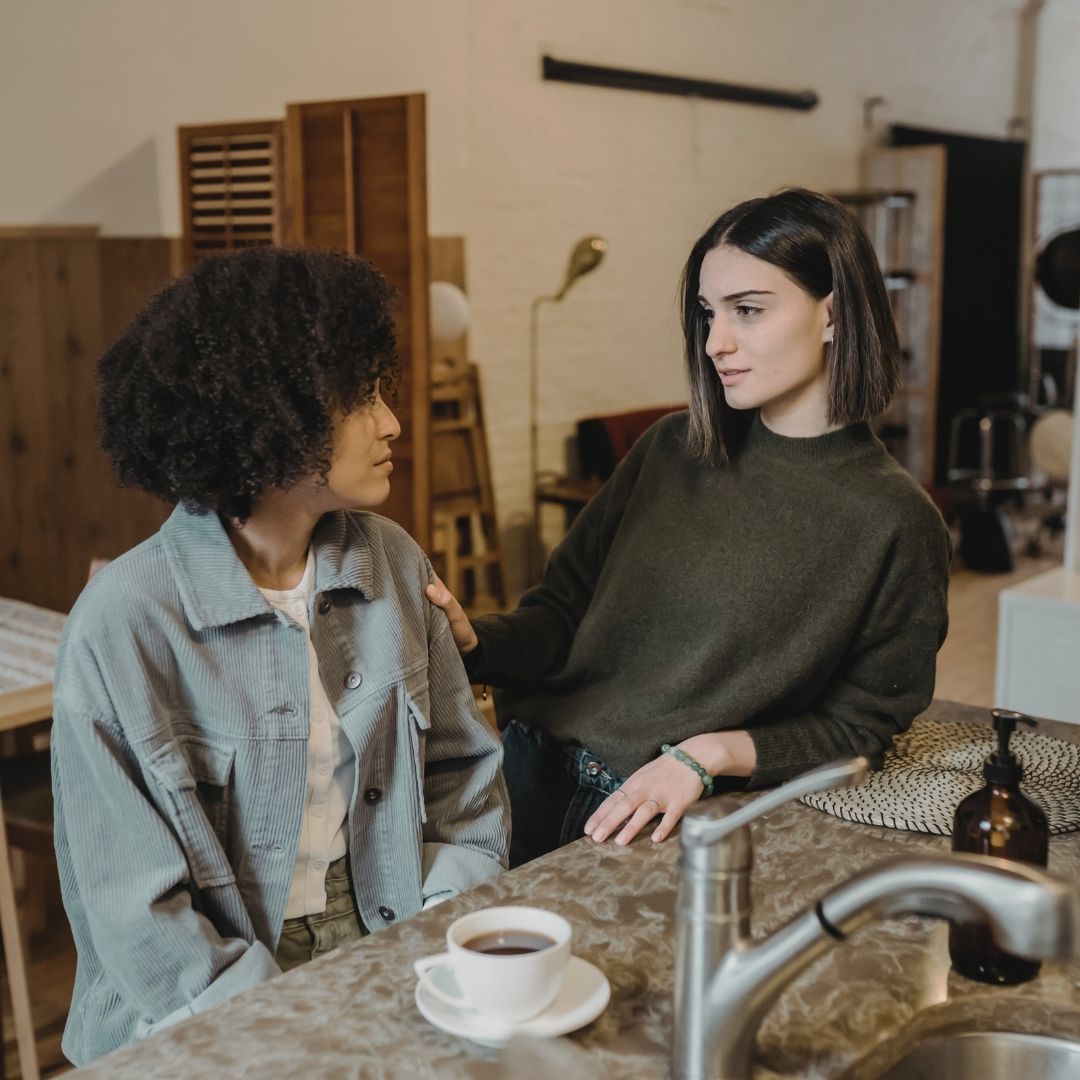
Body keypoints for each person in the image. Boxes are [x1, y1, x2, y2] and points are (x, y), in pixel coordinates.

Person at [51, 247, 509, 1065]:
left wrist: (439, 929)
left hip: (392, 928)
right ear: (268, 415)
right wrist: (283, 1025)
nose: (392, 423)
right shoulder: (123, 622)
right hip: (202, 995)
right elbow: (133, 909)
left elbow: (461, 775)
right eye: (360, 398)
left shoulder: (393, 562)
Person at [428, 188, 950, 867]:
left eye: (747, 310)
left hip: (658, 816)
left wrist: (711, 753)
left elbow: (862, 725)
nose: (715, 343)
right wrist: (478, 641)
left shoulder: (895, 520)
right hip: (522, 774)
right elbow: (560, 613)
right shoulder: (669, 449)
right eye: (708, 313)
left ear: (834, 313)